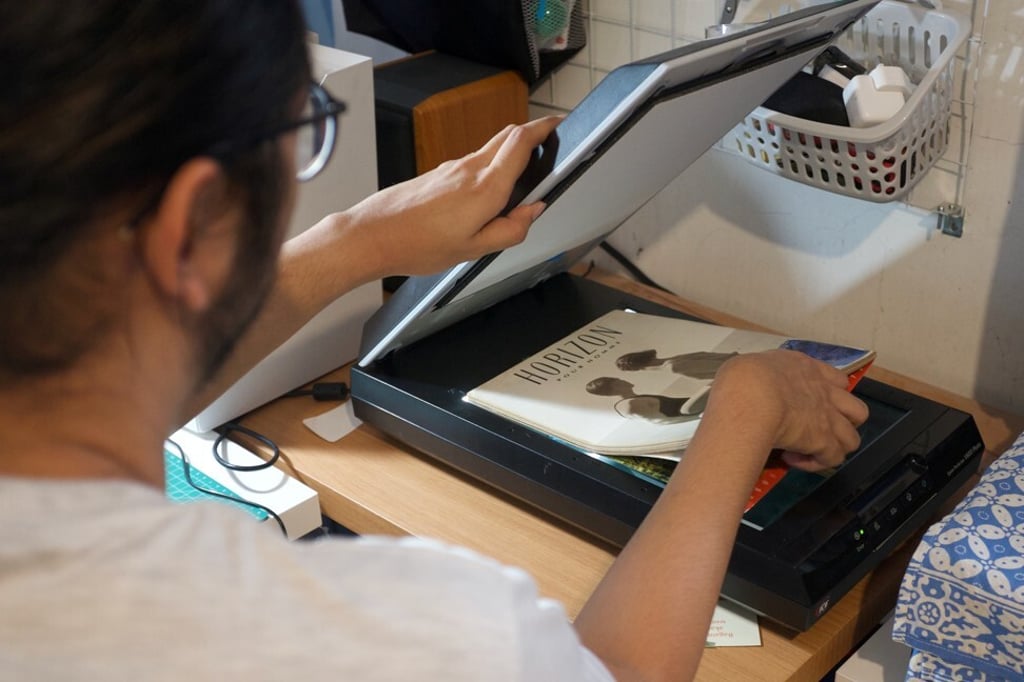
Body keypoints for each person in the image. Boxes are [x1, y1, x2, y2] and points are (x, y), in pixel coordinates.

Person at [0, 2, 869, 680]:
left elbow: (118, 376)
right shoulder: (411, 636)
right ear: (189, 227)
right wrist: (745, 410)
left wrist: (358, 239)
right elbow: (622, 671)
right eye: (303, 131)